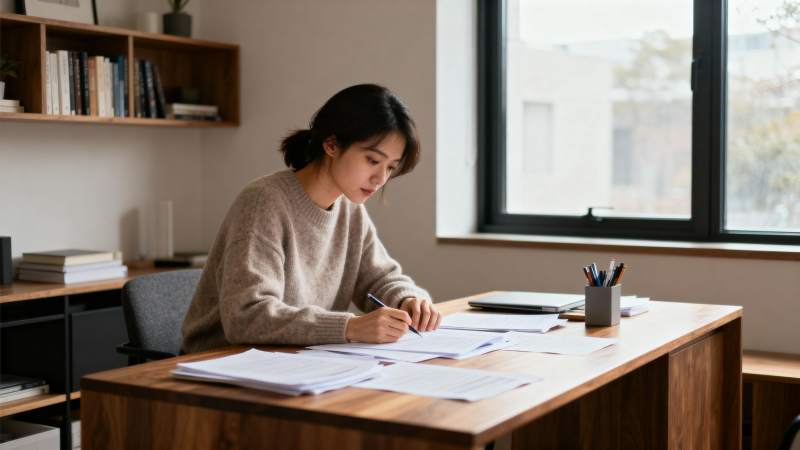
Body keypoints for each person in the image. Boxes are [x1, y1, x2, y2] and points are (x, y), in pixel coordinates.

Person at [182, 84, 441, 353]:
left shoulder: (349, 210)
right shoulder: (264, 202)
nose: (380, 179)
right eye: (372, 160)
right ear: (331, 144)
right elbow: (246, 316)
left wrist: (407, 300)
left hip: (293, 361)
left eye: (390, 167)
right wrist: (349, 328)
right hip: (217, 364)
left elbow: (379, 279)